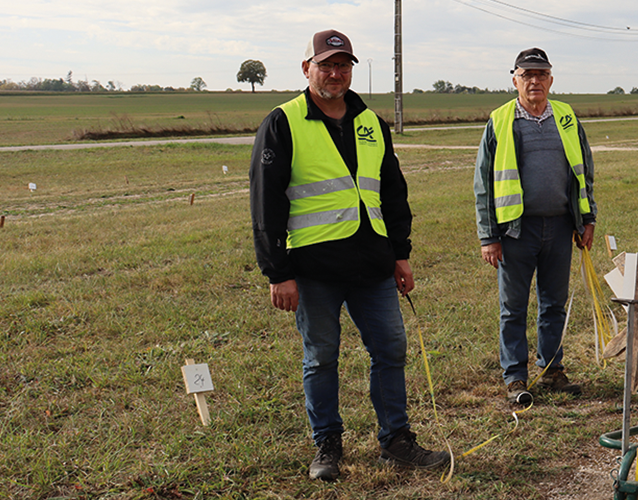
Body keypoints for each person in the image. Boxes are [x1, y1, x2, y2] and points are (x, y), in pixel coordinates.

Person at [249, 29, 449, 481]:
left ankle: (396, 440)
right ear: (307, 69)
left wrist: (400, 254)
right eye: (327, 65)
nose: (336, 73)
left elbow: (393, 192)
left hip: (373, 265)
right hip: (313, 269)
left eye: (343, 66)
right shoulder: (283, 122)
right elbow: (266, 204)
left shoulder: (370, 122)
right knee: (321, 357)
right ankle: (328, 445)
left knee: (391, 350)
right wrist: (277, 272)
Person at [474, 48, 598, 406]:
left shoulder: (566, 117)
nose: (534, 81)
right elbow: (483, 184)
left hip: (560, 228)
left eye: (541, 74)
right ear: (514, 79)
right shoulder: (499, 121)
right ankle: (515, 377)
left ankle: (552, 370)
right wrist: (488, 236)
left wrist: (586, 218)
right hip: (515, 232)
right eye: (527, 74)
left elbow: (584, 172)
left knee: (554, 304)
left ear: (551, 79)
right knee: (513, 308)